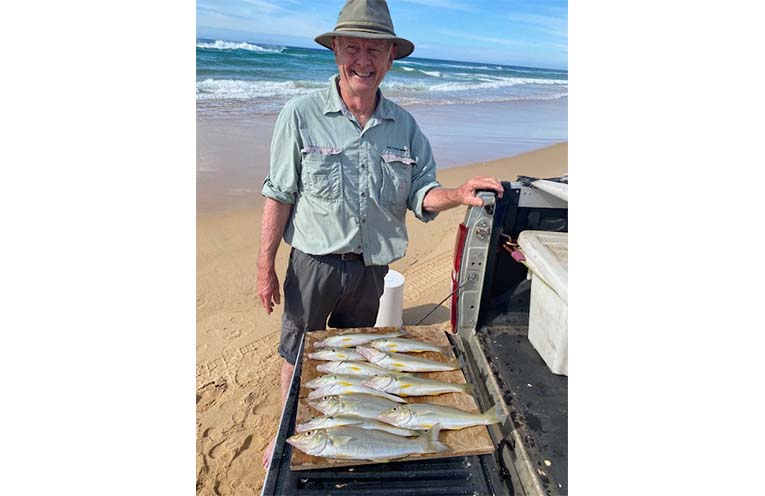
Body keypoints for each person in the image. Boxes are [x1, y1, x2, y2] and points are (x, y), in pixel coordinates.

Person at [258, 0, 503, 468]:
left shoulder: (404, 126)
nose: (363, 60)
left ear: (391, 57)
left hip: (372, 270)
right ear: (336, 51)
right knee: (296, 354)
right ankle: (285, 428)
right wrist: (264, 265)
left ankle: (348, 433)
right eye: (353, 47)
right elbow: (279, 194)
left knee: (359, 361)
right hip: (313, 265)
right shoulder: (300, 114)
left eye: (375, 50)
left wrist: (457, 193)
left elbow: (421, 192)